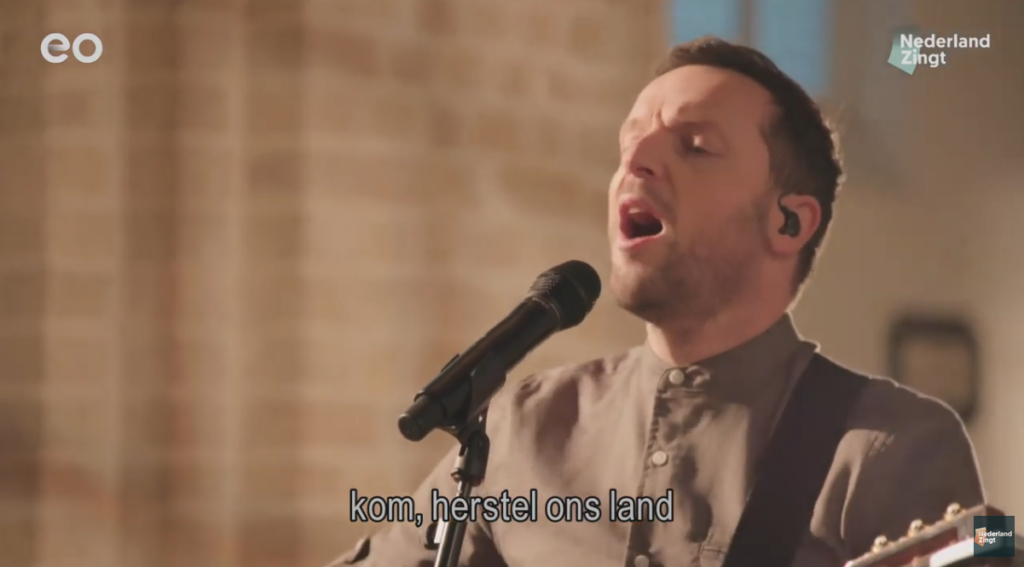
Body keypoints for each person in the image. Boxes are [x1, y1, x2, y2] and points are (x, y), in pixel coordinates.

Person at [328, 36, 985, 567]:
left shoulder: (897, 447)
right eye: (627, 144)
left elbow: (985, 544)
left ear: (789, 222)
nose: (634, 161)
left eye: (695, 147)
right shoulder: (521, 427)